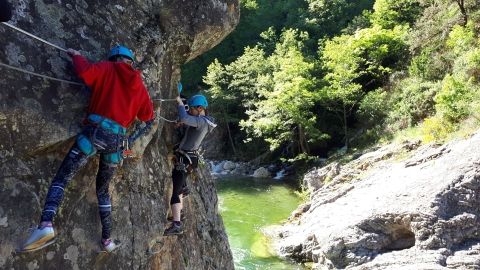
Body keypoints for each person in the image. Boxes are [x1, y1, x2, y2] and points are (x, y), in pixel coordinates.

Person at [20, 45, 155, 253]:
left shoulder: (108, 68)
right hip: (116, 142)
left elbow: (85, 72)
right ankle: (107, 241)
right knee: (102, 190)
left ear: (114, 58)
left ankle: (46, 224)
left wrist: (77, 56)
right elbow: (147, 116)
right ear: (130, 62)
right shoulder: (139, 84)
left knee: (62, 178)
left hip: (95, 132)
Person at [164, 94, 216, 235]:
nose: (190, 111)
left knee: (175, 192)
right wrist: (182, 125)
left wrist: (180, 102)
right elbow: (188, 123)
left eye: (192, 109)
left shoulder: (201, 122)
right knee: (180, 187)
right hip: (188, 159)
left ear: (200, 108)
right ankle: (179, 212)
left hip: (185, 159)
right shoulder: (203, 121)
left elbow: (185, 118)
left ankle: (177, 224)